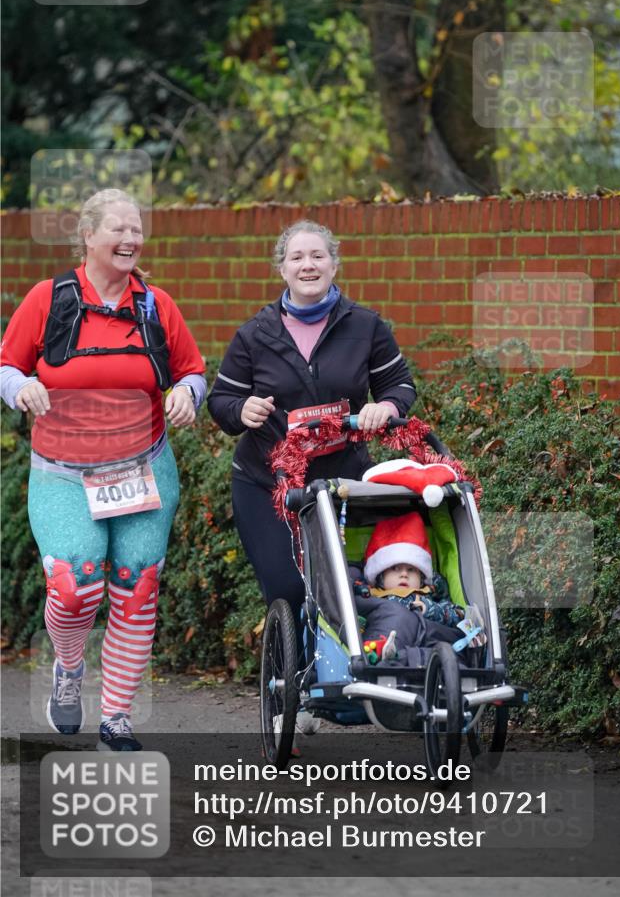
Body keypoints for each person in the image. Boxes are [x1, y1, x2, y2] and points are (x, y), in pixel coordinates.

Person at [0, 189, 206, 751]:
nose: (130, 238)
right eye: (117, 228)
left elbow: (192, 371)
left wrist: (189, 394)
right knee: (73, 586)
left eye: (136, 229)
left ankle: (116, 719)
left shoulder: (155, 305)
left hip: (142, 466)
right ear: (88, 236)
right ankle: (69, 666)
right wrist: (23, 388)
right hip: (64, 471)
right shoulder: (49, 298)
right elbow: (6, 364)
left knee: (138, 585)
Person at [207, 219, 416, 651]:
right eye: (297, 257)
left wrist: (386, 407)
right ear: (282, 269)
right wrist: (242, 409)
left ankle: (350, 668)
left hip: (343, 482)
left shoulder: (365, 326)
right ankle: (294, 683)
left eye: (318, 256)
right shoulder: (255, 334)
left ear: (334, 266)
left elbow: (400, 384)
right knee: (288, 588)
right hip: (268, 484)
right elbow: (220, 401)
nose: (308, 265)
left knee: (348, 585)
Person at [353, 513, 484, 663]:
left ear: (421, 578)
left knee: (447, 642)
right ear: (380, 577)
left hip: (427, 639)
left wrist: (430, 609)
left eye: (411, 570)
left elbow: (458, 614)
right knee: (393, 621)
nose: (404, 575)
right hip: (390, 633)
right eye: (395, 568)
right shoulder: (373, 596)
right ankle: (384, 653)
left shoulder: (427, 595)